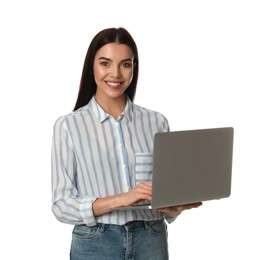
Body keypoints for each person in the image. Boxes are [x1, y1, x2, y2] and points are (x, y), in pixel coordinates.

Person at [51, 27, 202, 260]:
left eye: (125, 64)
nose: (115, 74)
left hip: (151, 237)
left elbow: (164, 196)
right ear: (91, 66)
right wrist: (122, 199)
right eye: (105, 63)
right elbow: (61, 205)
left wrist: (175, 207)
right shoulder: (69, 126)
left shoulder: (157, 122)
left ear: (134, 68)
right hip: (96, 241)